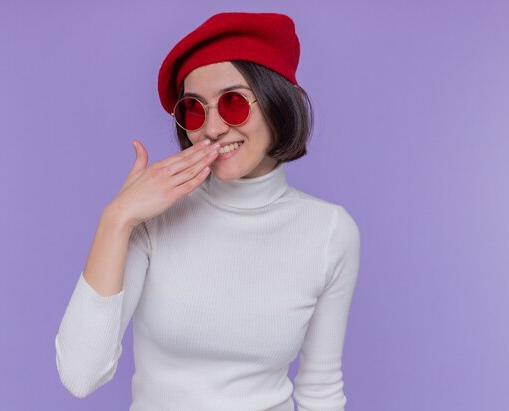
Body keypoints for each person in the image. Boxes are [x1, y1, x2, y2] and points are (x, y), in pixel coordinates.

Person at [55, 11, 360, 411]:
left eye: (233, 103)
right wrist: (117, 219)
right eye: (195, 110)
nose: (211, 128)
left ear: (277, 103)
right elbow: (81, 375)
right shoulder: (155, 218)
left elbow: (321, 391)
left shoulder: (330, 231)